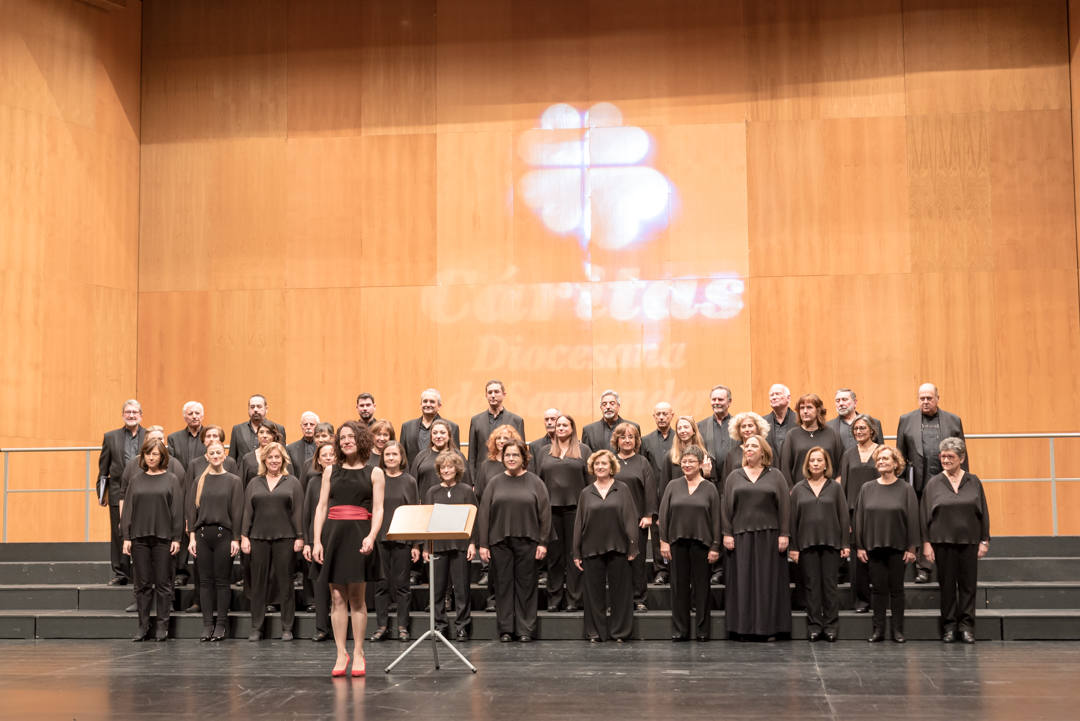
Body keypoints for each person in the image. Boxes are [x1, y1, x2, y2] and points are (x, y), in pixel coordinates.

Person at [313, 421, 385, 677]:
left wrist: (371, 536)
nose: (346, 441)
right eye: (342, 437)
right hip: (334, 535)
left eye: (351, 436)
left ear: (361, 439)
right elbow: (321, 507)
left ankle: (358, 653)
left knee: (357, 597)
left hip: (359, 536)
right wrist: (317, 541)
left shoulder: (375, 472)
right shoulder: (330, 471)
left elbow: (378, 509)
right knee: (336, 597)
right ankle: (341, 653)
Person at [477, 439, 550, 642]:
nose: (511, 458)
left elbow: (545, 514)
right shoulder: (494, 483)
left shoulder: (536, 482)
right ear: (502, 458)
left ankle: (525, 629)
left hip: (528, 542)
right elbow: (484, 514)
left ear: (524, 458)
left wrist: (543, 542)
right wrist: (483, 544)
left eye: (515, 455)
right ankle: (506, 629)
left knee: (527, 586)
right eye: (507, 455)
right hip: (499, 542)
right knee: (503, 586)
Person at [896, 383, 969, 584]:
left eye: (929, 398)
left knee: (944, 522)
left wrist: (965, 482)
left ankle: (948, 565)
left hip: (946, 481)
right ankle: (923, 568)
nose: (925, 401)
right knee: (920, 523)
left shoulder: (953, 420)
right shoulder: (906, 420)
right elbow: (899, 455)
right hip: (916, 481)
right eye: (922, 398)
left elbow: (963, 453)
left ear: (938, 398)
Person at [722, 435, 791, 641]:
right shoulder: (734, 476)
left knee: (767, 584)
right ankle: (743, 629)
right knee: (742, 584)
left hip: (769, 537)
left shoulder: (776, 475)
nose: (749, 448)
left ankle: (768, 628)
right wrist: (727, 533)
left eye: (754, 446)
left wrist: (784, 534)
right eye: (747, 445)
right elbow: (726, 508)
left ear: (764, 452)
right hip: (741, 536)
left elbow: (785, 507)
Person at [921, 437, 990, 644]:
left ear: (961, 458)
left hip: (969, 541)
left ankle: (967, 627)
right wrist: (926, 543)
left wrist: (984, 540)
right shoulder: (933, 483)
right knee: (948, 586)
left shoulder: (974, 481)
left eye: (950, 456)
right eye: (943, 456)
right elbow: (924, 515)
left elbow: (983, 513)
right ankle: (949, 627)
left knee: (968, 587)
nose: (946, 460)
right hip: (942, 542)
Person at [854, 446, 919, 643]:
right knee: (878, 590)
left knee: (897, 589)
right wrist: (860, 546)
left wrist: (912, 548)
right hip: (873, 547)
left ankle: (898, 631)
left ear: (895, 463)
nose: (881, 462)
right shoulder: (867, 488)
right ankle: (878, 630)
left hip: (898, 547)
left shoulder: (905, 489)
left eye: (886, 459)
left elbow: (913, 519)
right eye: (879, 459)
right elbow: (859, 518)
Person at [120, 438, 183, 642]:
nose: (151, 457)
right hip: (139, 537)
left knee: (164, 584)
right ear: (143, 456)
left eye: (155, 454)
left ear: (162, 456)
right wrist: (126, 537)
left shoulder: (171, 479)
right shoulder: (136, 480)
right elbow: (128, 510)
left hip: (164, 538)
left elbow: (177, 511)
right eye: (148, 453)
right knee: (142, 584)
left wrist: (177, 538)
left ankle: (162, 627)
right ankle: (143, 625)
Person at [241, 441, 304, 642]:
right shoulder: (254, 482)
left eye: (277, 457)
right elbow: (247, 512)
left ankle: (287, 627)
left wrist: (300, 536)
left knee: (285, 584)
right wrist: (244, 536)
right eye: (270, 457)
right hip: (258, 537)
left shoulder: (292, 482)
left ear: (283, 459)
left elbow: (298, 511)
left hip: (285, 538)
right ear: (264, 460)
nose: (274, 461)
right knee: (258, 584)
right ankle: (256, 627)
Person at [573, 449, 638, 642]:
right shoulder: (586, 492)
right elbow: (579, 523)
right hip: (591, 548)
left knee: (621, 593)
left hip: (618, 546)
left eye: (604, 464)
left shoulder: (622, 489)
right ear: (592, 468)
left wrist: (633, 546)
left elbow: (630, 518)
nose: (600, 467)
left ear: (611, 467)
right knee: (593, 594)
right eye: (597, 464)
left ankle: (620, 632)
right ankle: (595, 632)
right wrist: (576, 552)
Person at [659, 445, 721, 642]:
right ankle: (680, 630)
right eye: (684, 461)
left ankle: (702, 631)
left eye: (691, 461)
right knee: (678, 588)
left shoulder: (710, 488)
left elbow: (716, 519)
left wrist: (715, 546)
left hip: (702, 544)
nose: (687, 464)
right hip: (677, 543)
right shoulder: (672, 485)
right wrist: (663, 542)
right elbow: (663, 515)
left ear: (701, 464)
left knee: (702, 588)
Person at [788, 447, 849, 642]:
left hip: (831, 543)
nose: (815, 463)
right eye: (812, 460)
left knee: (829, 586)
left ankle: (831, 625)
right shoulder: (798, 489)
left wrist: (845, 544)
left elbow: (844, 517)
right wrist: (794, 547)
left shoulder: (835, 488)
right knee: (812, 586)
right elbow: (792, 521)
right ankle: (814, 625)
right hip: (806, 545)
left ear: (826, 464)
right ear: (807, 464)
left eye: (819, 460)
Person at [185, 441, 243, 641]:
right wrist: (191, 537)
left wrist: (236, 538)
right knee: (205, 581)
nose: (216, 455)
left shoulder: (234, 480)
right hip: (202, 537)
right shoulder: (199, 481)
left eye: (219, 452)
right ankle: (207, 624)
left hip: (223, 536)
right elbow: (191, 511)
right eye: (212, 453)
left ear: (224, 456)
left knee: (222, 581)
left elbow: (237, 511)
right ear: (207, 457)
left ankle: (221, 625)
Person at [538, 414, 591, 612]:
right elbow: (538, 481)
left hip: (576, 509)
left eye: (564, 425)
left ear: (572, 427)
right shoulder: (544, 452)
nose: (560, 427)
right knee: (554, 556)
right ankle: (554, 598)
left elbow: (590, 482)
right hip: (551, 510)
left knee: (574, 554)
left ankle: (574, 599)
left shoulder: (583, 450)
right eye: (557, 424)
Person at [424, 451, 478, 641]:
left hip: (460, 546)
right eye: (443, 467)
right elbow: (427, 520)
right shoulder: (432, 492)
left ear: (457, 469)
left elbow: (474, 519)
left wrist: (473, 543)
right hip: (438, 546)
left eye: (450, 467)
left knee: (462, 589)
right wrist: (425, 548)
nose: (446, 470)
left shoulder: (465, 491)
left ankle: (462, 626)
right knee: (437, 589)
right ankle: (440, 626)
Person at [369, 440, 419, 643]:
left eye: (394, 455)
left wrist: (416, 544)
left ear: (401, 458)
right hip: (380, 538)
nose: (390, 458)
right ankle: (381, 626)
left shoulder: (409, 481)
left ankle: (402, 626)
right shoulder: (376, 478)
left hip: (403, 539)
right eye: (387, 454)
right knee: (381, 584)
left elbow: (415, 512)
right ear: (383, 457)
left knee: (402, 585)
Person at [98, 399, 145, 585]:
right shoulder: (110, 437)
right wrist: (101, 494)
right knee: (119, 532)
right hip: (118, 491)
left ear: (141, 415)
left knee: (142, 531)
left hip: (145, 491)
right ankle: (121, 573)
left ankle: (142, 571)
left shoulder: (149, 435)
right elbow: (103, 468)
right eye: (128, 412)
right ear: (123, 415)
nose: (131, 415)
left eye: (135, 412)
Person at [611, 422, 657, 612]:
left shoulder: (642, 462)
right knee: (615, 562)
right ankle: (618, 600)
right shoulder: (610, 460)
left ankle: (639, 599)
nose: (627, 440)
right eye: (623, 437)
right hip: (613, 520)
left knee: (637, 562)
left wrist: (648, 515)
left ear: (637, 440)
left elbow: (650, 490)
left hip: (637, 520)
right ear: (617, 440)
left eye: (631, 437)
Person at [838, 415, 880, 613]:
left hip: (878, 511)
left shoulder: (881, 452)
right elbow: (844, 487)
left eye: (863, 428)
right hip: (855, 512)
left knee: (878, 557)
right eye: (855, 429)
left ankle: (880, 601)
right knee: (857, 561)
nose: (859, 432)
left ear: (872, 430)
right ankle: (861, 602)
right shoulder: (848, 454)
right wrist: (845, 517)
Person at [302, 440, 336, 642]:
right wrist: (309, 541)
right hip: (319, 538)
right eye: (325, 455)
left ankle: (342, 626)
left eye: (332, 454)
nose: (329, 457)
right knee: (320, 584)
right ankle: (322, 627)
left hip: (340, 537)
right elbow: (308, 513)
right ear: (319, 460)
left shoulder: (343, 479)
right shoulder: (313, 482)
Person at [778, 394, 844, 489]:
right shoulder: (792, 435)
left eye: (809, 407)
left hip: (829, 491)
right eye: (802, 408)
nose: (805, 411)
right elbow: (785, 468)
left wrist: (838, 482)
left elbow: (841, 461)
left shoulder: (831, 434)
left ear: (818, 410)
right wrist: (791, 491)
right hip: (800, 492)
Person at [641, 402, 674, 584]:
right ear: (653, 417)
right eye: (658, 414)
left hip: (677, 492)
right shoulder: (645, 441)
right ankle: (661, 570)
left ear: (672, 415)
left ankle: (675, 567)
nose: (661, 417)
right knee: (656, 532)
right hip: (655, 493)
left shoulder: (679, 438)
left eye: (665, 414)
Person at [467, 380, 525, 479]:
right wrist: (472, 480)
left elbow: (522, 452)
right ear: (486, 395)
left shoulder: (516, 420)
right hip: (483, 476)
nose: (493, 395)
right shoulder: (476, 420)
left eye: (496, 392)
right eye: (490, 392)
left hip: (509, 474)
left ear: (504, 394)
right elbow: (472, 455)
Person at [411, 418, 471, 500]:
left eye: (442, 433)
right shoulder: (421, 456)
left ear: (449, 435)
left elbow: (466, 484)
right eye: (435, 433)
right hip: (426, 506)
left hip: (454, 505)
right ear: (431, 436)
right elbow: (412, 485)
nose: (438, 436)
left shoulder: (458, 456)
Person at [400, 388, 461, 467]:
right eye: (425, 401)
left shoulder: (452, 427)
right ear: (420, 405)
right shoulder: (407, 427)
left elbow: (455, 457)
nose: (428, 404)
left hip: (442, 475)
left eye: (432, 402)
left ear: (439, 406)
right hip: (414, 476)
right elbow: (402, 457)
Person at [228, 394, 287, 462]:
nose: (255, 410)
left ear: (266, 409)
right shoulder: (237, 429)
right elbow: (231, 459)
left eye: (259, 406)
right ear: (248, 409)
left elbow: (283, 457)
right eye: (252, 407)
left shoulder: (278, 428)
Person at [662, 416, 714, 489]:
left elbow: (711, 488)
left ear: (694, 430)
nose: (682, 431)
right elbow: (664, 485)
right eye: (679, 428)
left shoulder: (704, 456)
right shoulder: (670, 456)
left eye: (686, 427)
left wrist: (707, 474)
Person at [477, 425, 525, 500]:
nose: (501, 441)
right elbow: (479, 493)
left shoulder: (519, 464)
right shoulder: (486, 465)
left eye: (506, 438)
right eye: (498, 438)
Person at [721, 411, 771, 483]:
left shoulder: (765, 450)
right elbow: (726, 480)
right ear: (738, 430)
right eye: (743, 427)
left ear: (758, 428)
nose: (747, 429)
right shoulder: (732, 454)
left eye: (750, 426)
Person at [698, 385, 735, 467]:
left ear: (729, 402)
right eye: (714, 399)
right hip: (709, 477)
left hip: (734, 476)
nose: (716, 402)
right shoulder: (700, 427)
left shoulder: (739, 425)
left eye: (720, 399)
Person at [286, 412, 320, 491]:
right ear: (301, 426)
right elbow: (290, 475)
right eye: (305, 425)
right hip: (298, 490)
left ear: (317, 427)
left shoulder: (323, 448)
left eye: (312, 424)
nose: (308, 427)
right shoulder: (290, 449)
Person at [167, 401, 206, 470]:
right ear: (185, 418)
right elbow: (171, 464)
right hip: (181, 479)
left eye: (197, 413)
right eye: (190, 414)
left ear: (202, 416)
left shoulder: (210, 436)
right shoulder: (173, 438)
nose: (194, 416)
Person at [762, 384, 797, 461]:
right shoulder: (762, 422)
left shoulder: (800, 421)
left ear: (788, 398)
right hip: (770, 470)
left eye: (777, 394)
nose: (774, 397)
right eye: (771, 395)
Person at [528, 408, 560, 474]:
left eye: (553, 419)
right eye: (546, 419)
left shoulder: (571, 445)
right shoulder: (534, 446)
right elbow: (532, 474)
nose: (549, 422)